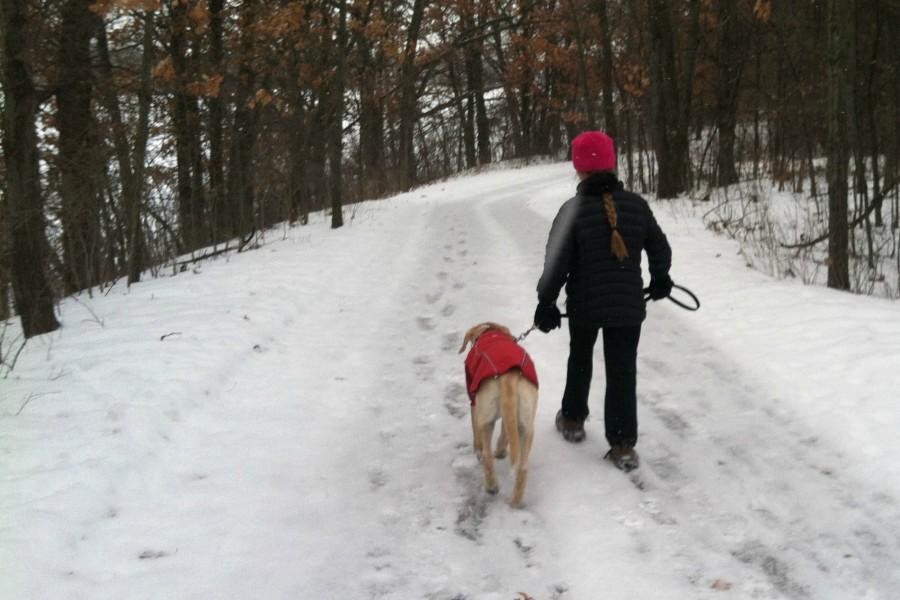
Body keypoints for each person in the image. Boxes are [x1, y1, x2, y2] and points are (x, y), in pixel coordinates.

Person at [534, 130, 672, 472]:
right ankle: (623, 446)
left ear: (578, 168)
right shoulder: (637, 206)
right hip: (628, 308)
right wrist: (660, 278)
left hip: (585, 306)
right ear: (613, 164)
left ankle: (572, 419)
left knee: (580, 359)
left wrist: (546, 302)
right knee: (622, 370)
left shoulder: (573, 211)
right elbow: (660, 248)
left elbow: (556, 264)